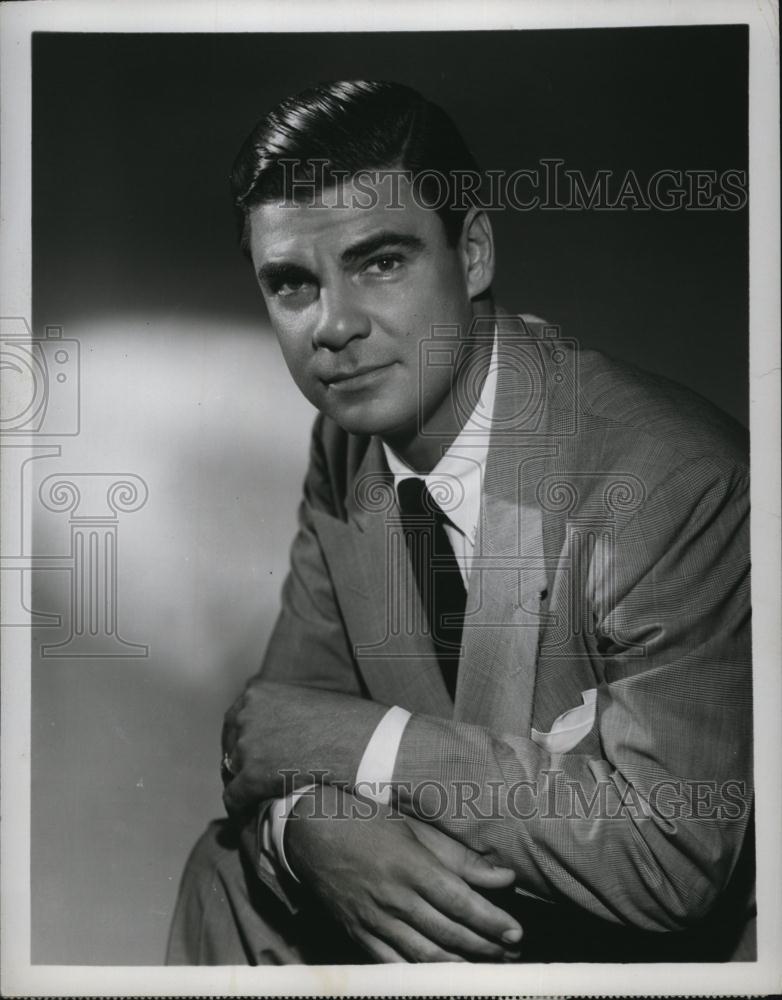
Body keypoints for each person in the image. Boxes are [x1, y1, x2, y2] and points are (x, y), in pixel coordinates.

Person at [167, 80, 754, 965]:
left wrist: (371, 746)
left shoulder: (666, 477)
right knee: (224, 875)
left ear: (473, 252)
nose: (333, 325)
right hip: (468, 911)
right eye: (292, 283)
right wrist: (313, 833)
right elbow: (277, 746)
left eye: (380, 262)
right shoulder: (345, 449)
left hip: (647, 955)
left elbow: (676, 855)